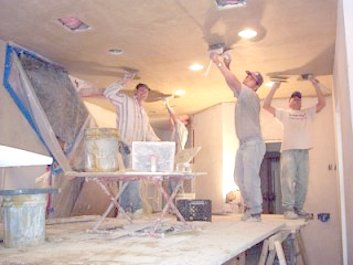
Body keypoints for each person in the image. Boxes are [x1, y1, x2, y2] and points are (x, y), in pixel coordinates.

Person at [210, 52, 266, 222]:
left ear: (255, 86)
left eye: (251, 78)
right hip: (243, 144)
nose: (246, 78)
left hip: (253, 143)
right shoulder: (243, 95)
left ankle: (255, 211)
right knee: (238, 178)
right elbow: (232, 83)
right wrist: (227, 65)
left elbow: (233, 81)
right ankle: (250, 208)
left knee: (250, 178)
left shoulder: (250, 95)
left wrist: (219, 63)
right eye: (247, 76)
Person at [262, 78, 326, 219]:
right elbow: (266, 105)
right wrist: (274, 87)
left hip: (304, 151)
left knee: (303, 182)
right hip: (288, 151)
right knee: (288, 180)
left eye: (299, 98)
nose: (297, 100)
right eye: (294, 98)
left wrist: (315, 84)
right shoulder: (284, 113)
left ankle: (298, 208)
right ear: (289, 101)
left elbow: (322, 103)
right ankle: (288, 209)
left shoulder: (307, 113)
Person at [104, 72, 160, 217]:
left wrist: (161, 145)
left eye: (146, 92)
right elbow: (108, 93)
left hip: (138, 149)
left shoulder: (144, 114)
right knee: (130, 177)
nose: (143, 94)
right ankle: (135, 207)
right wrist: (123, 81)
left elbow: (148, 132)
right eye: (141, 90)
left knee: (130, 178)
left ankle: (125, 209)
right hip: (124, 145)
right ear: (136, 91)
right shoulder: (125, 101)